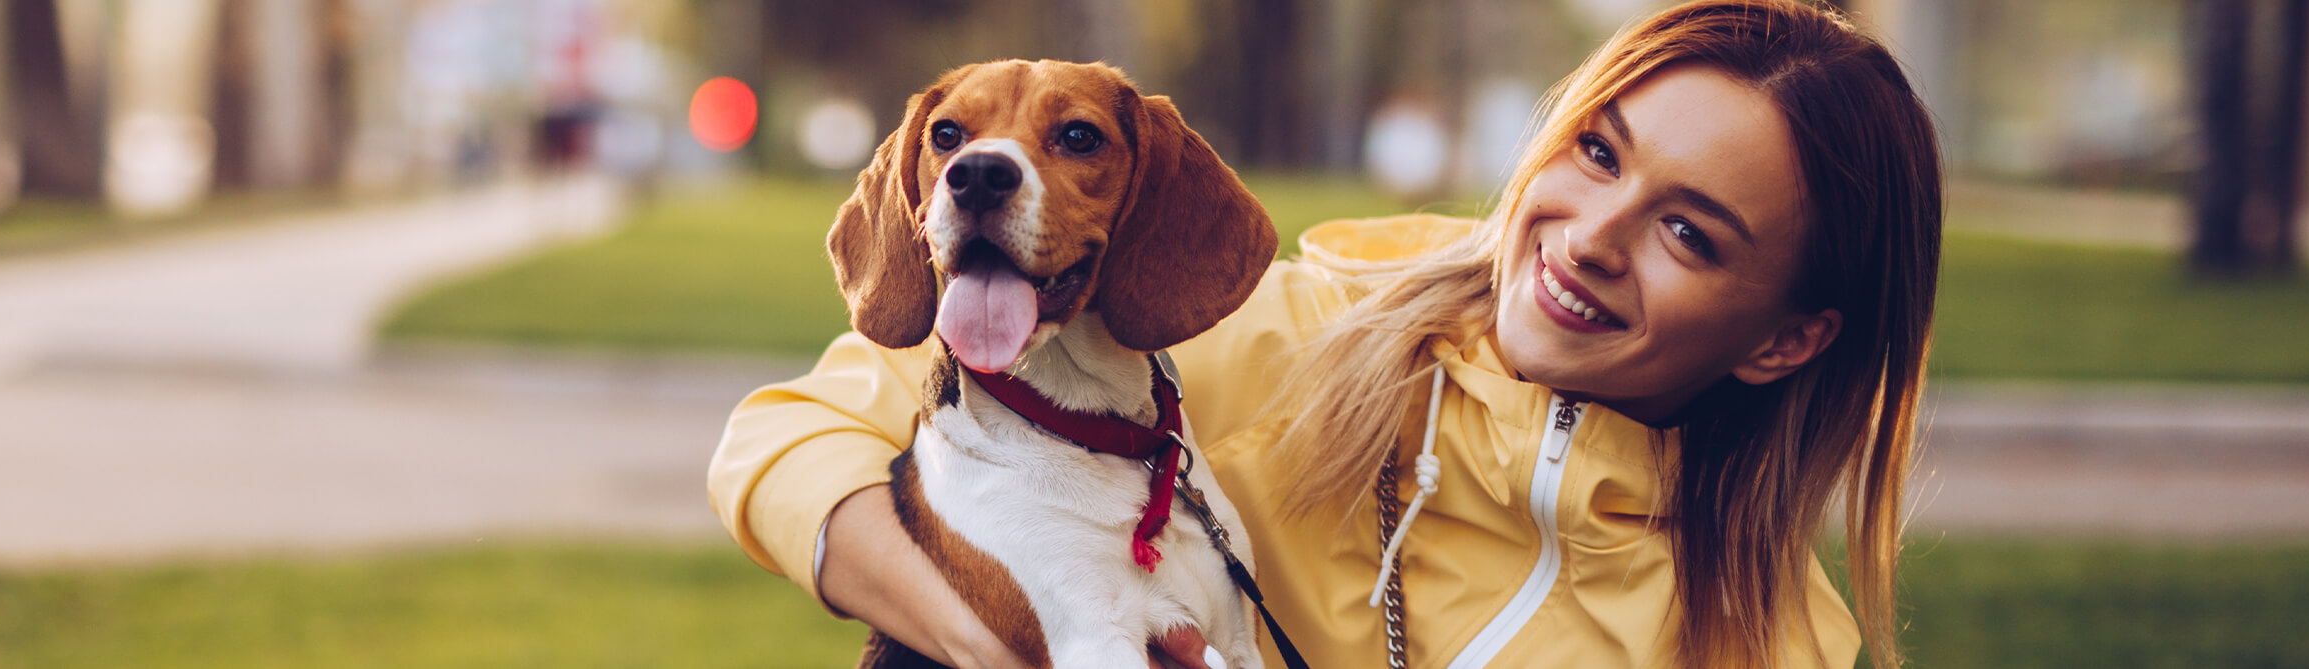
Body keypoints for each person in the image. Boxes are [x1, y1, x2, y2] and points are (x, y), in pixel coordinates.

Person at [707, 0, 1942, 666]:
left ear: (1785, 340)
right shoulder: (1261, 334)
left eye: (1692, 234)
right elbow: (790, 434)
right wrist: (996, 638)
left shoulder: (1775, 646)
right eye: (1598, 154)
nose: (1591, 237)